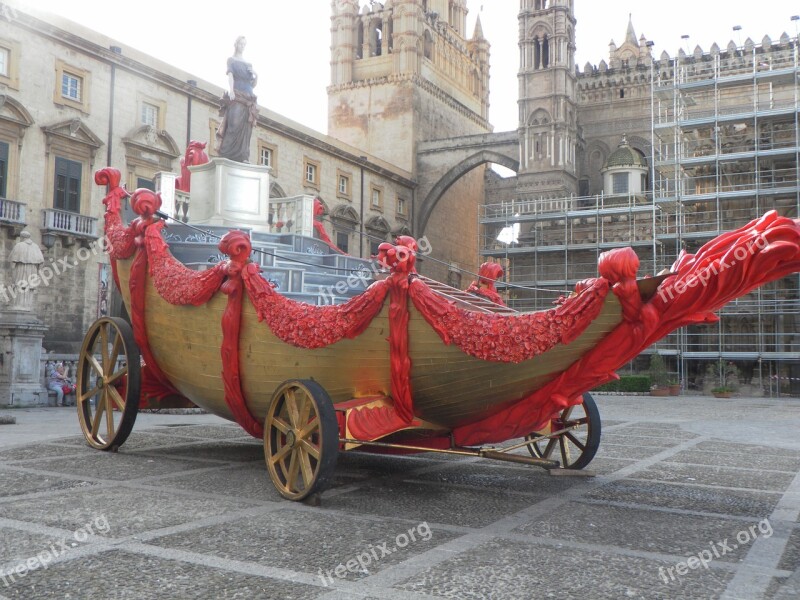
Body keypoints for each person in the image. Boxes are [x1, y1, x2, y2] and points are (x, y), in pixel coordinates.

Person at [216, 36, 258, 162]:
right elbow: (230, 75)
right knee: (233, 125)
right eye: (241, 44)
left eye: (244, 44)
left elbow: (253, 84)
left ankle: (243, 156)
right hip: (237, 94)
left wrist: (256, 74)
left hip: (249, 96)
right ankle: (226, 154)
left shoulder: (248, 64)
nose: (242, 46)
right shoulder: (231, 60)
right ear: (236, 44)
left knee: (246, 129)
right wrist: (231, 90)